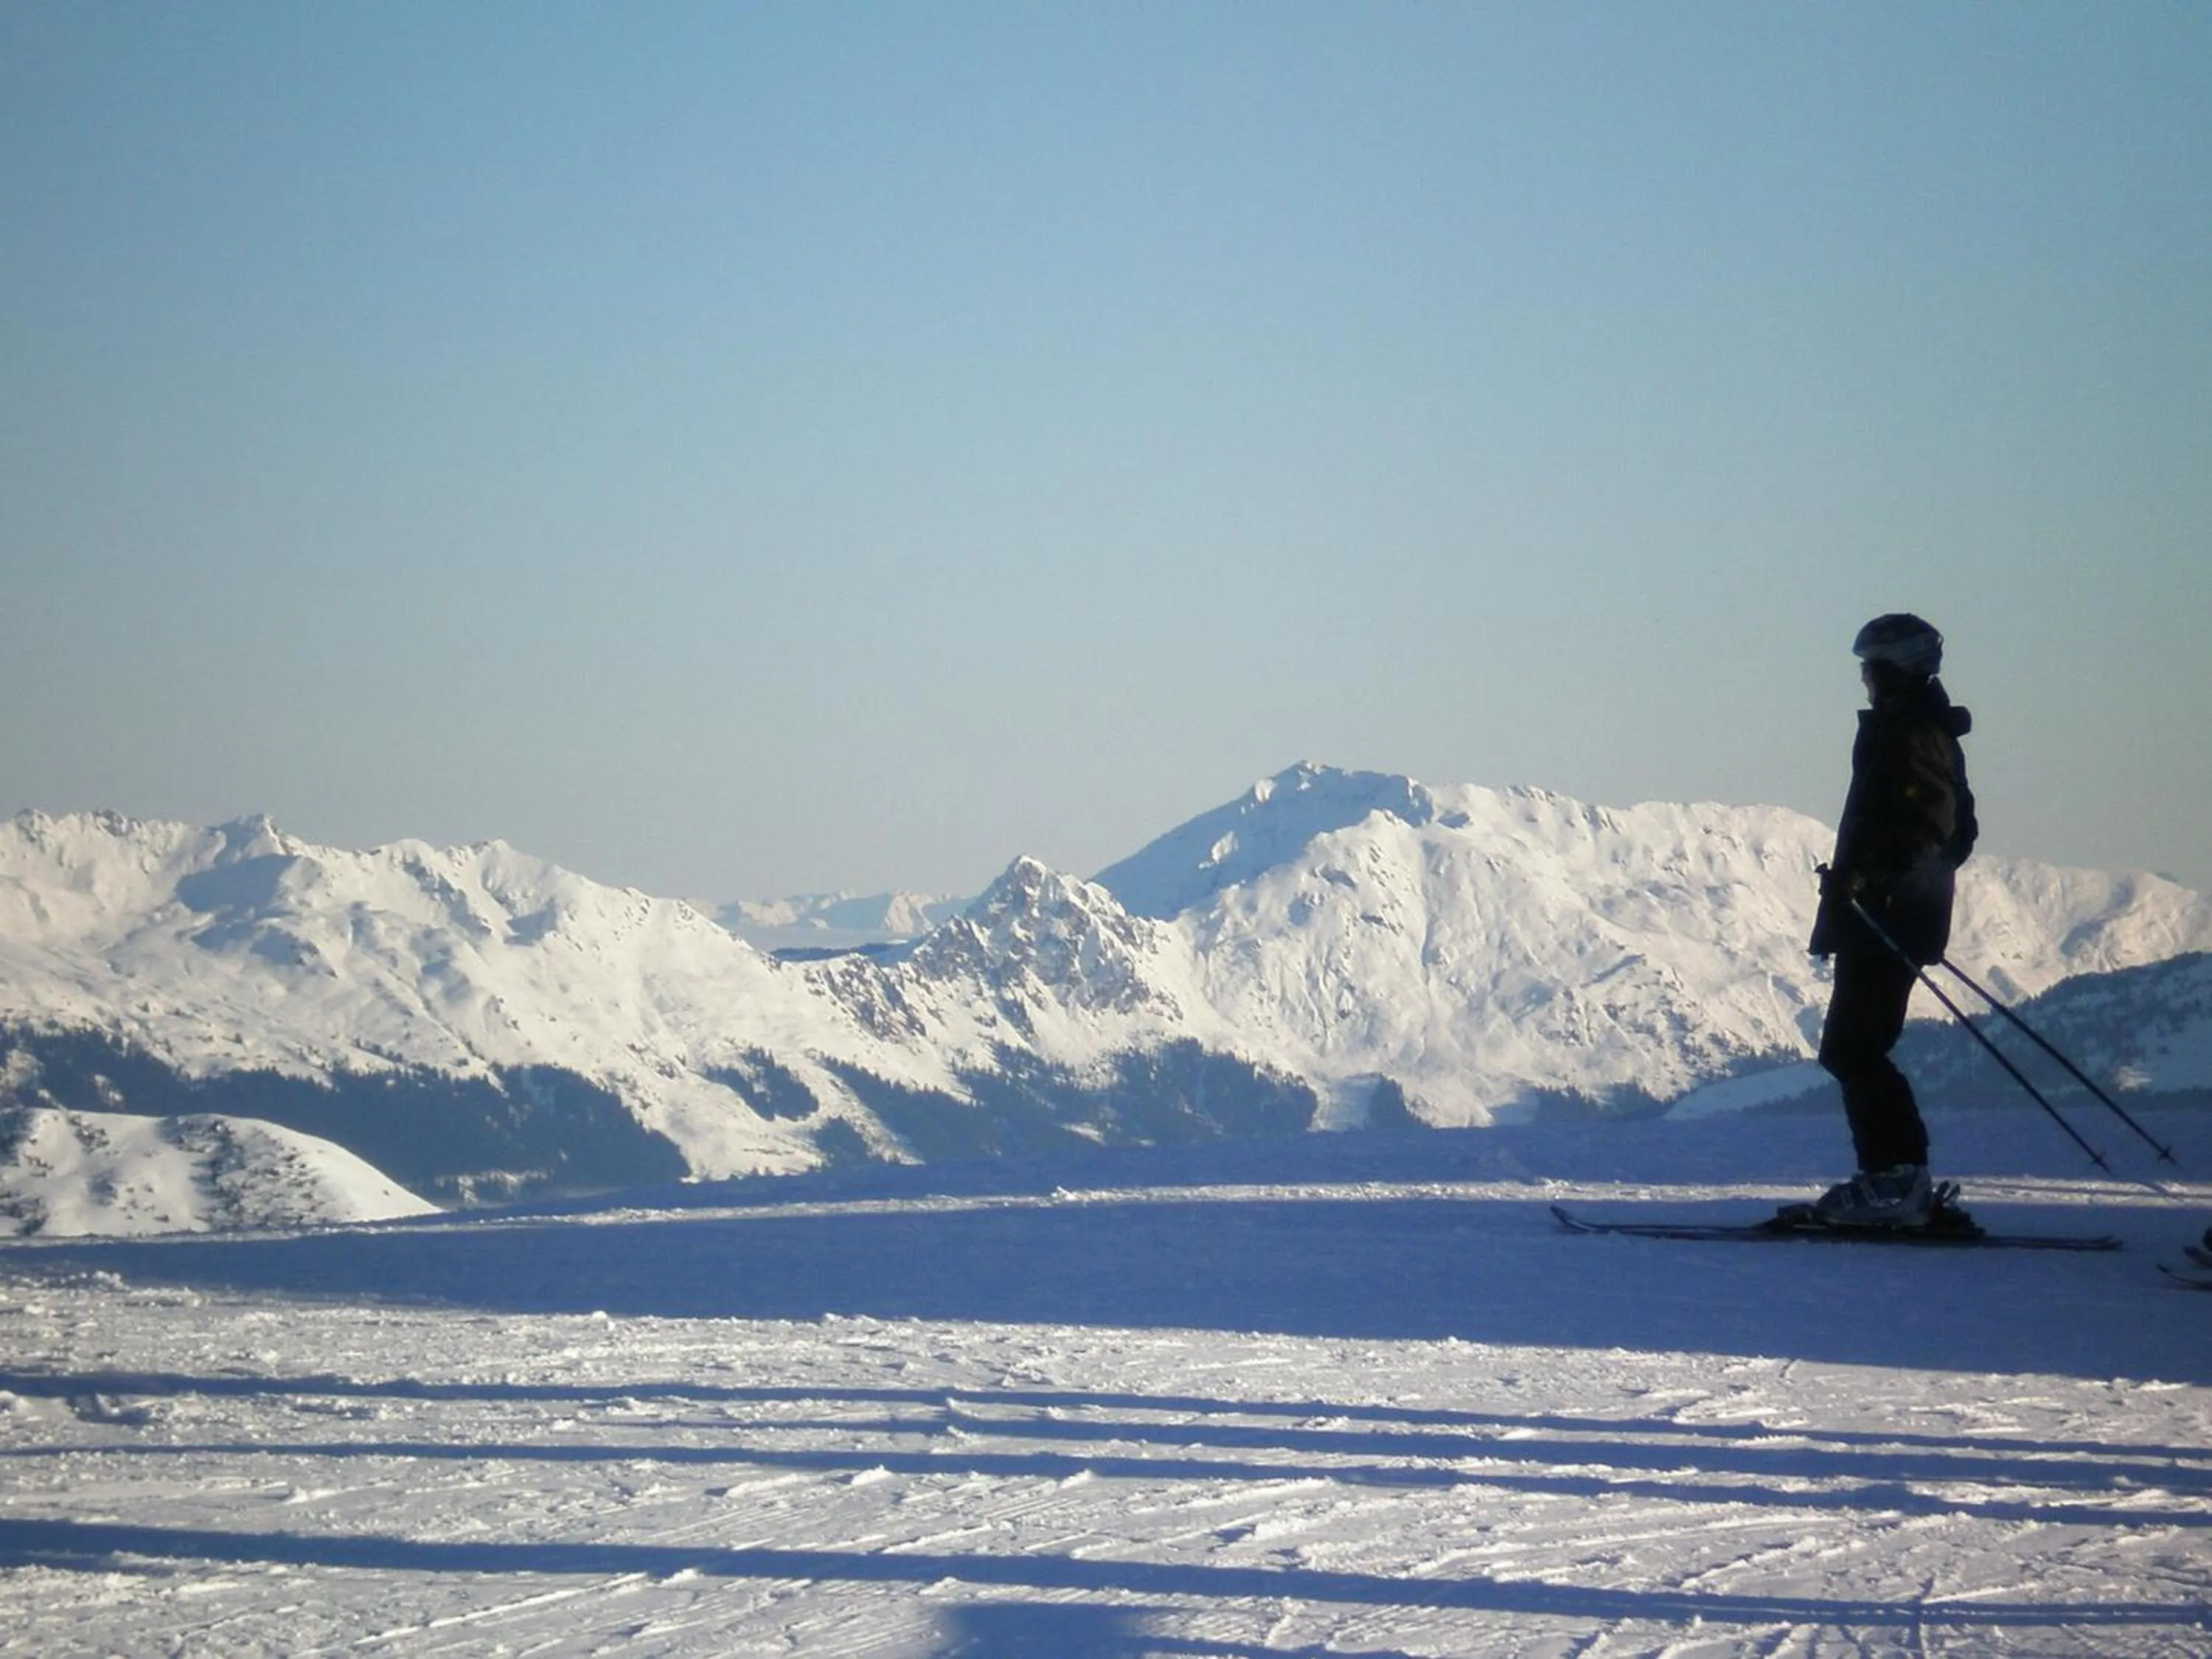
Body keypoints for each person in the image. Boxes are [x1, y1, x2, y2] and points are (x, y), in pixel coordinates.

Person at [1806, 613, 1977, 1226]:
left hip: (1888, 916)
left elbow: (1931, 828)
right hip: (1892, 913)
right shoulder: (1915, 730)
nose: (1864, 680)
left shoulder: (1913, 735)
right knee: (1856, 1047)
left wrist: (1869, 877)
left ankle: (1896, 1182)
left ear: (1893, 669)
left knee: (1853, 1047)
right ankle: (1897, 1180)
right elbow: (1957, 831)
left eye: (1869, 668)